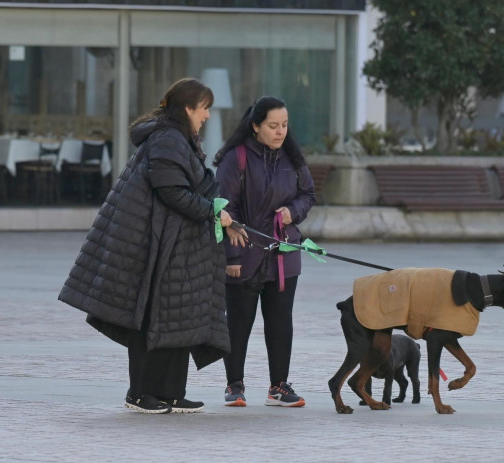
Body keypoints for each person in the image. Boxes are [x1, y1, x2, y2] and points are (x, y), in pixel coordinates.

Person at [58, 78, 233, 414]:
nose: (208, 115)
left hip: (175, 245)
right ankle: (140, 393)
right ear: (187, 108)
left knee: (178, 317)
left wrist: (221, 213)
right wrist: (213, 211)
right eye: (204, 108)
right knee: (150, 317)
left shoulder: (179, 138)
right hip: (153, 247)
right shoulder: (168, 139)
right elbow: (173, 192)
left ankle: (170, 393)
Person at [213, 96, 316, 407]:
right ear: (255, 126)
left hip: (284, 252)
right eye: (273, 126)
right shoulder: (237, 157)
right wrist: (230, 258)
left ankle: (279, 386)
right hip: (243, 252)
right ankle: (234, 385)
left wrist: (292, 212)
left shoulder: (292, 158)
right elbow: (222, 207)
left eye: (284, 125)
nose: (280, 131)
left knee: (281, 320)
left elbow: (308, 194)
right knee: (239, 323)